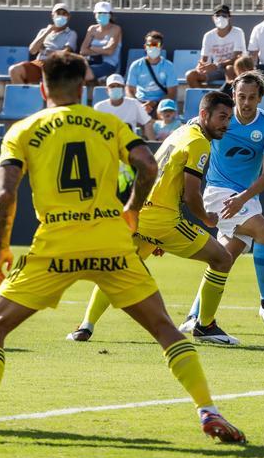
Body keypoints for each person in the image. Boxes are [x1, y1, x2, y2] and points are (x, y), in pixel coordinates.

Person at [0, 51, 246, 444]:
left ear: (43, 86)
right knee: (164, 328)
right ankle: (208, 411)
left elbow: (6, 193)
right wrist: (132, 209)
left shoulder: (23, 130)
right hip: (110, 240)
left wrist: (1, 248)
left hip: (55, 243)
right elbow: (148, 165)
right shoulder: (109, 124)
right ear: (84, 85)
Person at [68, 89, 239, 343]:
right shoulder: (199, 142)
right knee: (222, 259)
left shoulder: (180, 132)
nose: (226, 124)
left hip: (142, 213)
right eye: (222, 117)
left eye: (228, 119)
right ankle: (205, 326)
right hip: (162, 219)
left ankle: (85, 326)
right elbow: (192, 195)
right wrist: (207, 218)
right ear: (204, 115)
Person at [178, 71, 264, 336]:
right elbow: (186, 134)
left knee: (223, 258)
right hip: (216, 193)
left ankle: (194, 316)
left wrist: (243, 199)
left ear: (261, 98)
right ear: (233, 95)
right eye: (241, 96)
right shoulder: (218, 119)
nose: (246, 102)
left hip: (246, 198)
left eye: (251, 97)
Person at [9, 4, 81, 85]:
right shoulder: (44, 31)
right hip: (39, 63)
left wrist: (45, 51)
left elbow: (65, 53)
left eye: (64, 14)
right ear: (52, 15)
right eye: (58, 13)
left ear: (68, 16)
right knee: (14, 70)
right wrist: (47, 32)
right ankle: (22, 97)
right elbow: (32, 50)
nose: (61, 16)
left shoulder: (71, 33)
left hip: (57, 65)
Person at [189, 5, 245, 88]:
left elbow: (236, 59)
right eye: (217, 15)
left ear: (229, 17)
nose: (220, 18)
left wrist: (216, 65)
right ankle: (207, 97)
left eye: (224, 15)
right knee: (191, 75)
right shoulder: (208, 35)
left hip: (234, 69)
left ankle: (228, 97)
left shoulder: (238, 32)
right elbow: (204, 59)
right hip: (216, 70)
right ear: (213, 18)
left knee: (229, 68)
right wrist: (201, 67)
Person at [126, 30, 178, 115]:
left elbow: (172, 93)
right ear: (145, 46)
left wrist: (154, 103)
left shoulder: (169, 66)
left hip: (161, 104)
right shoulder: (136, 65)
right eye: (150, 44)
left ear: (161, 47)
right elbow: (129, 90)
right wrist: (137, 105)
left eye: (156, 45)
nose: (153, 47)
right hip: (140, 102)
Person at [94, 73, 155, 139]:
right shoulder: (99, 107)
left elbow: (147, 123)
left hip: (130, 144)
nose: (115, 88)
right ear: (107, 90)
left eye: (118, 86)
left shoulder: (134, 103)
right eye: (112, 86)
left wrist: (153, 145)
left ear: (123, 88)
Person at [78, 1, 122, 81]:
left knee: (85, 74)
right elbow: (83, 51)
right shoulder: (92, 29)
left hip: (109, 64)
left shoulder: (116, 29)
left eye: (105, 13)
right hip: (91, 61)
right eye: (100, 13)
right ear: (95, 15)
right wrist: (102, 50)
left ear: (110, 15)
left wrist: (92, 47)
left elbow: (110, 51)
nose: (102, 15)